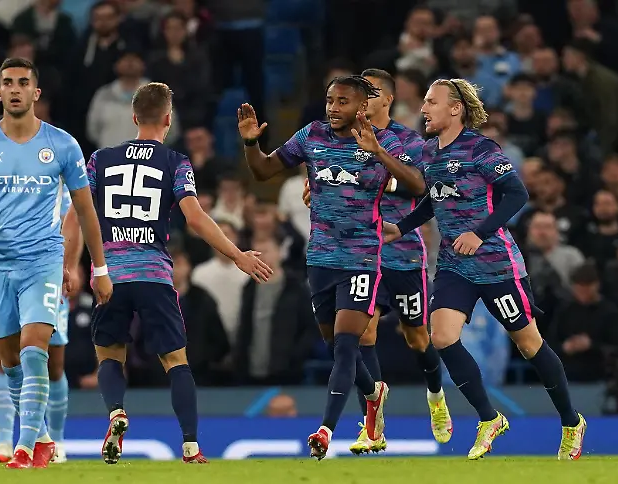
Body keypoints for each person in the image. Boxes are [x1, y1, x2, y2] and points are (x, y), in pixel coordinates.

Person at [62, 82, 271, 464]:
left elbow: (77, 215)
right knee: (176, 361)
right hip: (155, 274)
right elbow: (195, 217)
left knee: (109, 355)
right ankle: (190, 445)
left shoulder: (100, 159)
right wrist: (237, 254)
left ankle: (115, 413)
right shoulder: (175, 162)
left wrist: (68, 265)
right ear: (169, 120)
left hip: (111, 274)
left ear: (134, 116)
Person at [383, 78, 587, 460]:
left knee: (529, 345)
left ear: (455, 108)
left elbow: (517, 193)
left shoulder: (481, 148)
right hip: (453, 264)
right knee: (441, 337)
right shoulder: (429, 153)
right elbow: (434, 199)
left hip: (496, 263)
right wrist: (403, 227)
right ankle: (488, 417)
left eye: (432, 102)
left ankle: (571, 422)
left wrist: (479, 233)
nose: (424, 109)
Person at [237, 74, 419, 459]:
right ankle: (373, 394)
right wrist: (252, 142)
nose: (333, 108)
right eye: (330, 100)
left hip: (362, 258)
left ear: (362, 106)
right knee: (336, 344)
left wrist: (379, 153)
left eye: (342, 102)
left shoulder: (383, 141)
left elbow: (418, 185)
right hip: (320, 257)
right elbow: (264, 171)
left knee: (347, 346)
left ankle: (325, 430)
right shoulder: (311, 135)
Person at [0, 57, 112, 469]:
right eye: (8, 83)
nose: (16, 88)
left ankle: (24, 448)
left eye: (24, 82)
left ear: (35, 92)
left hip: (43, 260)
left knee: (34, 350)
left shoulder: (62, 145)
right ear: (0, 92)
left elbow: (85, 211)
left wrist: (98, 267)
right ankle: (39, 435)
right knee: (8, 362)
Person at [301, 69, 451, 454]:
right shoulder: (340, 138)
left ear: (387, 100)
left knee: (418, 338)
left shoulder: (407, 141)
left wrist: (374, 176)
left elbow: (424, 189)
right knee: (359, 336)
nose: (363, 99)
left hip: (401, 254)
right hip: (359, 255)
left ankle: (435, 396)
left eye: (372, 93)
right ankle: (373, 423)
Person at [0, 184, 81, 464]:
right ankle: (6, 441)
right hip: (1, 275)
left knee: (52, 364)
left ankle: (56, 441)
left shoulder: (51, 178)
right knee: (6, 359)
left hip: (45, 273)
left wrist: (71, 266)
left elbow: (73, 223)